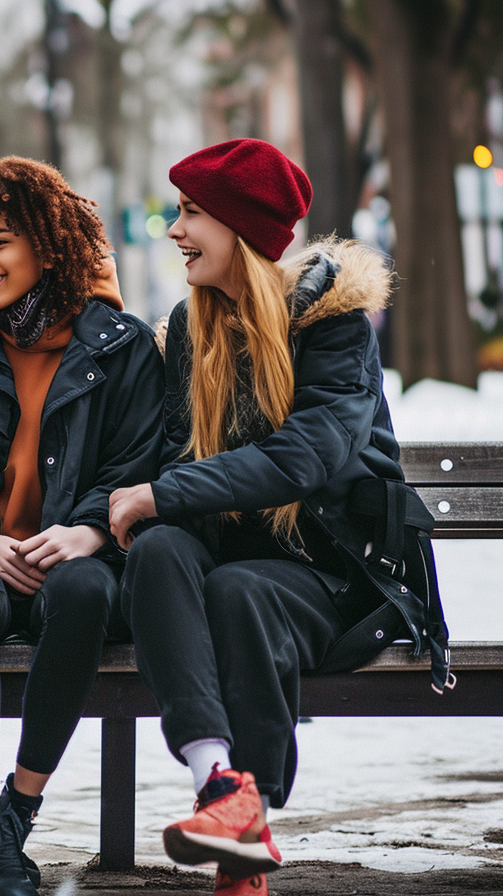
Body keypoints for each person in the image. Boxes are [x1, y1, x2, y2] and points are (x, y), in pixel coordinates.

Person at [108, 138, 450, 896]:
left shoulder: (334, 329)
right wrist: (148, 506)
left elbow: (307, 459)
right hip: (234, 562)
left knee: (236, 592)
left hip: (333, 574)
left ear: (241, 229)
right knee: (161, 550)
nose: (174, 229)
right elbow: (173, 460)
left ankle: (244, 833)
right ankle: (222, 790)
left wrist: (163, 493)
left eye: (192, 213)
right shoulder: (191, 330)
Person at [0, 156, 165, 896]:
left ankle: (18, 815)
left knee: (88, 593)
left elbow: (137, 456)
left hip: (78, 555)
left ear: (46, 242)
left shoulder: (120, 346)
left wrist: (87, 531)